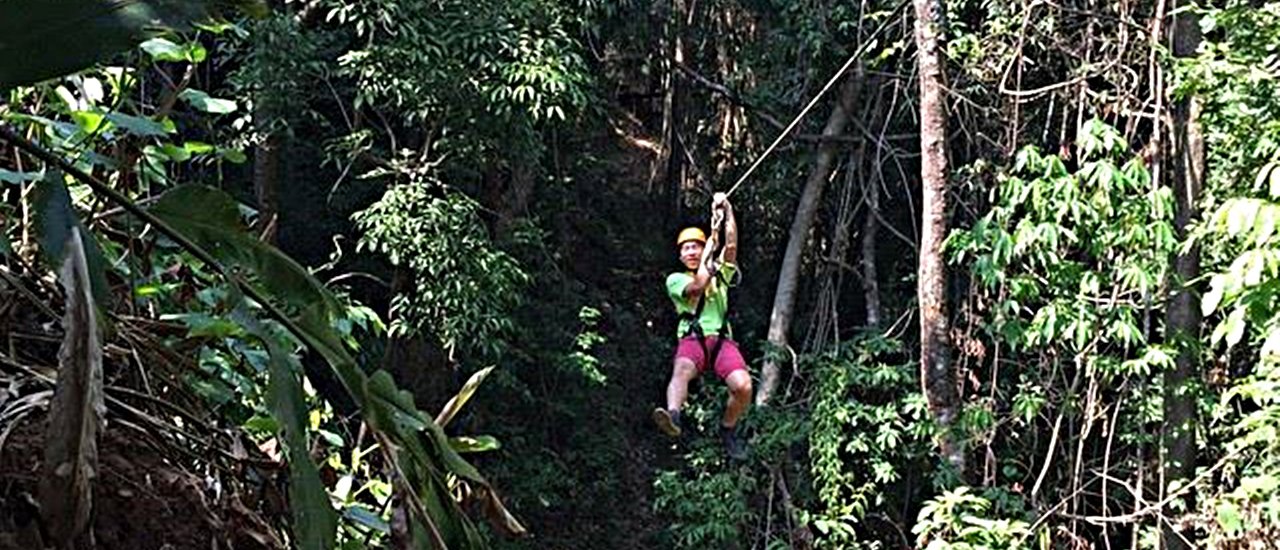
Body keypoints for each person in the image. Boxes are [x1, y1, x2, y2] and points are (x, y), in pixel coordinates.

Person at [652, 192, 753, 460]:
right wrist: (711, 247)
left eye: (697, 246)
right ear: (681, 255)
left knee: (743, 386)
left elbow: (730, 247)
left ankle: (728, 429)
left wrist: (727, 211)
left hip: (720, 340)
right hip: (693, 339)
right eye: (687, 248)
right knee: (682, 370)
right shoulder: (675, 280)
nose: (692, 251)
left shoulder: (719, 271)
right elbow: (698, 286)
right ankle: (673, 415)